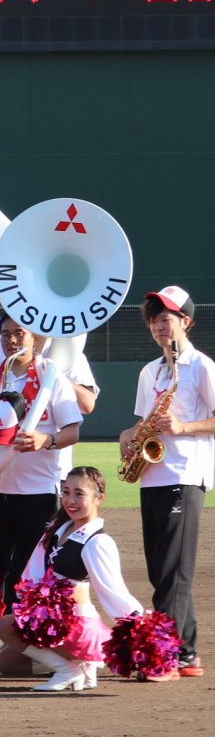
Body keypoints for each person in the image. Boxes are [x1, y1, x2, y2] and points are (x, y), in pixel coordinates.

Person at [121, 285, 214, 676]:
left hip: (185, 474)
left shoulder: (202, 367)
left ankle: (165, 656)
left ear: (186, 322)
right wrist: (130, 436)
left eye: (167, 318)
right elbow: (144, 421)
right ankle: (188, 653)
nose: (159, 325)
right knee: (162, 570)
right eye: (154, 318)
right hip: (152, 476)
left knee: (174, 572)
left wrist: (184, 426)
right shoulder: (150, 370)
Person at [0, 311, 85, 604]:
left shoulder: (53, 380)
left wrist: (46, 440)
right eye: (6, 334)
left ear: (36, 338)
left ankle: (21, 641)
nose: (12, 340)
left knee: (27, 574)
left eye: (19, 333)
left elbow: (73, 431)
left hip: (37, 494)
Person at [0, 466, 144, 692]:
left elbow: (114, 593)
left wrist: (142, 634)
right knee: (6, 663)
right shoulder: (55, 531)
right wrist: (29, 613)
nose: (70, 500)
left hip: (78, 625)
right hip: (50, 623)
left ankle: (70, 669)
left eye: (79, 493)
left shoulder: (98, 542)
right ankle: (78, 665)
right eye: (65, 492)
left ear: (99, 498)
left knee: (5, 626)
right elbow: (32, 576)